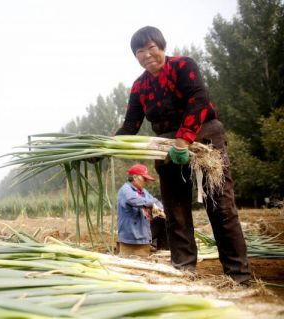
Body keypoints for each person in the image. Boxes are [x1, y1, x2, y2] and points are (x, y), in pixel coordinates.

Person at [115, 26, 251, 285]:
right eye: (139, 51)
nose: (146, 55)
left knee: (220, 206)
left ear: (162, 47)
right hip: (166, 148)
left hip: (203, 139)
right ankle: (183, 270)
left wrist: (183, 139)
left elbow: (198, 99)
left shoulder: (183, 66)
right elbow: (130, 125)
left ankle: (238, 276)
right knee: (175, 211)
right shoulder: (140, 86)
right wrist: (105, 145)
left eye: (151, 47)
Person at [117, 164, 164, 258]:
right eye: (144, 178)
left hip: (143, 237)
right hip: (130, 238)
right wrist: (151, 205)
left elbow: (154, 200)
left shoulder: (143, 191)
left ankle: (155, 245)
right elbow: (133, 200)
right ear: (134, 177)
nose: (145, 181)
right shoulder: (125, 190)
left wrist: (161, 209)